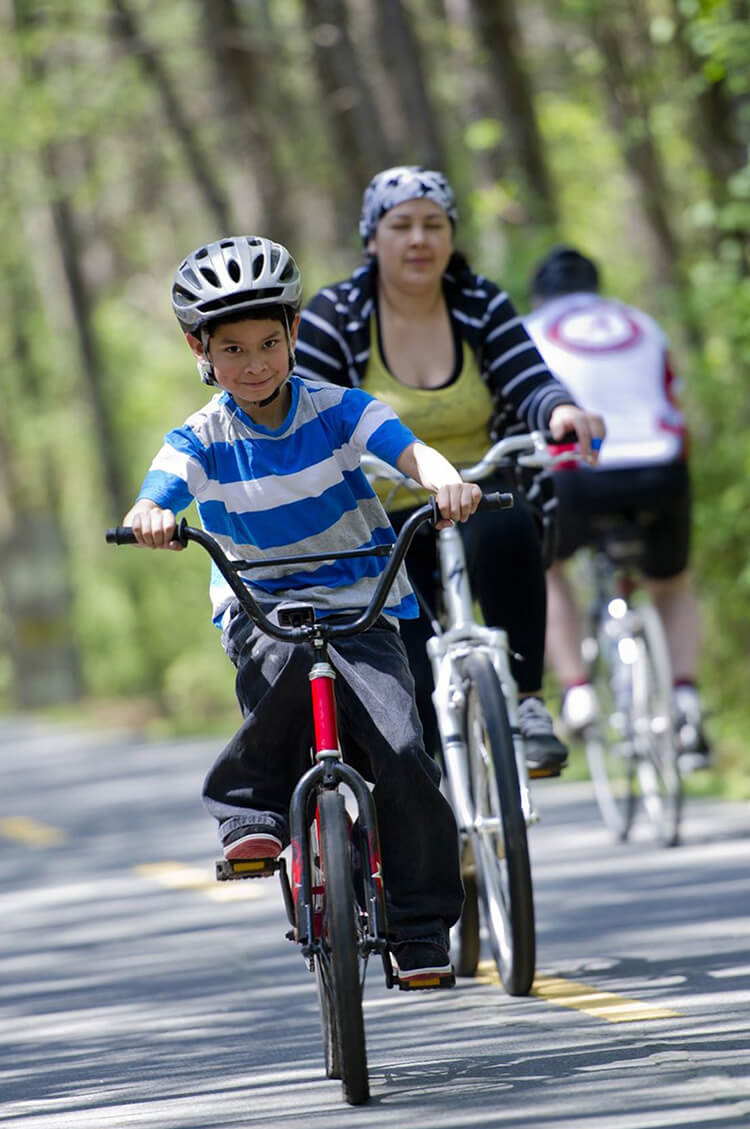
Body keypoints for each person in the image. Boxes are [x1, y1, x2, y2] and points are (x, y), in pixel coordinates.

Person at [122, 234, 484, 982]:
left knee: (403, 748)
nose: (253, 364)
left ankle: (419, 926)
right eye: (231, 349)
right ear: (200, 349)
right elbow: (162, 484)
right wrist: (150, 515)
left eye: (267, 342)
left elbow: (408, 451)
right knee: (282, 664)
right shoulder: (202, 435)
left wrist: (446, 480)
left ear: (292, 335)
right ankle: (249, 812)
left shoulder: (341, 409)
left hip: (362, 603)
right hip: (264, 609)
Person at [295, 166, 605, 776]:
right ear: (372, 238)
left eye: (433, 225)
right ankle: (433, 806)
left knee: (510, 527)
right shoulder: (338, 314)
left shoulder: (479, 303)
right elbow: (305, 408)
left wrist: (561, 408)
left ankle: (526, 701)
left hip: (477, 490)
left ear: (451, 237)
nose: (419, 240)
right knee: (404, 678)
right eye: (401, 225)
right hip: (378, 513)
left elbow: (527, 377)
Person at [524, 245, 711, 768]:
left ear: (543, 293)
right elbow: (672, 404)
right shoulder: (642, 324)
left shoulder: (531, 329)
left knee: (550, 568)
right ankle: (685, 698)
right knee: (671, 583)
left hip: (579, 471)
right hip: (660, 466)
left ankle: (578, 692)